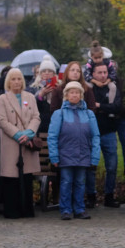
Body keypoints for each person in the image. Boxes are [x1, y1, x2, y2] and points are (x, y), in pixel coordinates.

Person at [49, 81, 100, 220]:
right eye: (71, 92)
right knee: (66, 182)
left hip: (83, 155)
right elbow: (52, 136)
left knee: (80, 183)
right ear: (66, 95)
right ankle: (65, 210)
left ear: (81, 95)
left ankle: (79, 209)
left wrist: (95, 156)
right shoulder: (59, 114)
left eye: (77, 92)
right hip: (65, 155)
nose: (74, 95)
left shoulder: (89, 114)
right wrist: (54, 156)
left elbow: (95, 136)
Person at [0, 68, 40, 219]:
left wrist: (29, 133)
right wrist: (18, 134)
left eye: (19, 79)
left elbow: (36, 117)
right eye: (13, 79)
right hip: (11, 142)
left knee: (27, 176)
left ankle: (27, 209)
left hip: (27, 142)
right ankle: (12, 210)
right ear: (8, 81)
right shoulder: (2, 98)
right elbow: (2, 120)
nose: (16, 82)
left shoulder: (30, 97)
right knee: (11, 177)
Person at [91, 62, 125, 207]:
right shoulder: (89, 88)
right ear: (93, 74)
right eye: (99, 72)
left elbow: (117, 107)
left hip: (109, 131)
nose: (103, 75)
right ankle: (91, 196)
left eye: (105, 72)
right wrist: (106, 108)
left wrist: (100, 106)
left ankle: (109, 196)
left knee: (112, 166)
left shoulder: (113, 87)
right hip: (92, 132)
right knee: (91, 166)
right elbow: (89, 106)